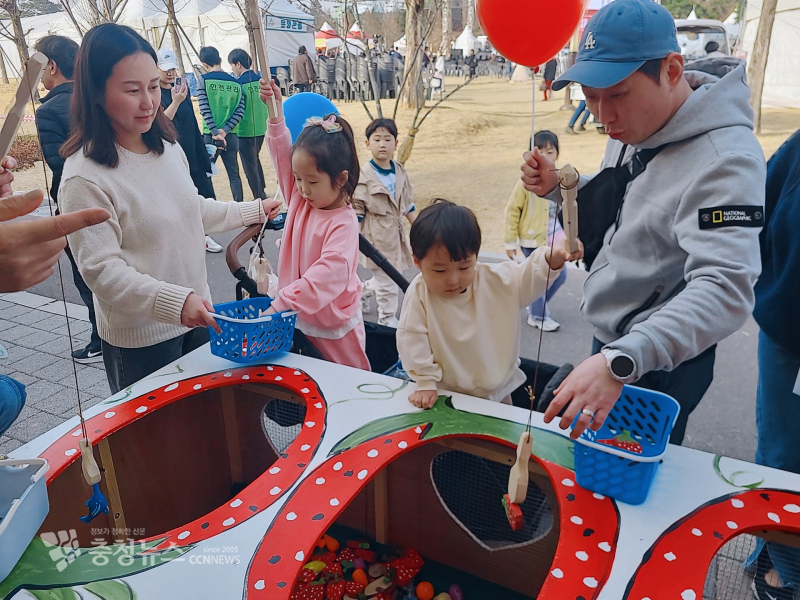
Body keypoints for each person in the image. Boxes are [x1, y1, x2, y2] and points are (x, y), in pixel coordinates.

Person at [522, 0, 765, 444]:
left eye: (616, 94)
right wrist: (562, 187)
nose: (602, 115)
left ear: (672, 70)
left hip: (659, 357)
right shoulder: (636, 124)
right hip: (614, 342)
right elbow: (630, 193)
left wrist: (623, 360)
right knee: (595, 470)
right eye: (589, 96)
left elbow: (726, 287)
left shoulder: (726, 161)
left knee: (628, 483)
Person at [58, 24, 280, 393]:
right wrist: (175, 302)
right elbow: (101, 271)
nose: (148, 102)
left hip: (196, 319)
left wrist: (254, 211)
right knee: (157, 445)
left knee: (204, 427)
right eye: (132, 90)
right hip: (141, 341)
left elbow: (189, 208)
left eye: (153, 86)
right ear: (96, 92)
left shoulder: (166, 146)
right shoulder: (84, 177)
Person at [397, 199, 581, 408]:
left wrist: (553, 257)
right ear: (417, 262)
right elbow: (412, 339)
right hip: (445, 394)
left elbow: (529, 276)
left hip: (499, 391)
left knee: (500, 436)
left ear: (476, 256)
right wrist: (425, 381)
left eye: (464, 267)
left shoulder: (497, 281)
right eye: (440, 270)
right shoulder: (420, 293)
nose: (453, 279)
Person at [259, 78, 369, 370]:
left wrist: (283, 302)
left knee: (349, 383)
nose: (302, 188)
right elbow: (282, 156)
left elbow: (327, 273)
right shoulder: (300, 197)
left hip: (334, 326)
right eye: (297, 178)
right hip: (299, 315)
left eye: (312, 181)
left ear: (341, 178)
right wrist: (275, 114)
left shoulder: (342, 224)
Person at [749, 129, 800, 600]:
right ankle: (783, 564)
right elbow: (748, 215)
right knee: (781, 456)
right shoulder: (796, 149)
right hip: (787, 333)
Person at [34, 35, 104, 363]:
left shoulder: (49, 111)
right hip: (114, 196)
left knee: (87, 273)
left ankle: (100, 339)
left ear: (51, 65)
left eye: (35, 65)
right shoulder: (100, 98)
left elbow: (59, 165)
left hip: (76, 206)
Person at [156, 48, 223, 254]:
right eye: (165, 69)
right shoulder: (153, 94)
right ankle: (183, 239)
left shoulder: (181, 90)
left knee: (201, 193)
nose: (170, 73)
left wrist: (203, 151)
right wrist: (175, 101)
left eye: (173, 69)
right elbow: (160, 124)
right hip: (168, 155)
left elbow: (192, 123)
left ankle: (203, 235)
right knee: (176, 198)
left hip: (190, 152)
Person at [352, 118, 416, 327]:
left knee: (386, 276)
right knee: (389, 281)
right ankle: (387, 319)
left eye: (387, 139)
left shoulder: (399, 170)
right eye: (377, 139)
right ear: (367, 144)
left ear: (396, 144)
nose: (382, 144)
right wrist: (355, 240)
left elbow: (407, 204)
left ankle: (362, 291)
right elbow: (358, 210)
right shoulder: (364, 175)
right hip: (376, 237)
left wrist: (422, 229)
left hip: (395, 235)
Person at [504, 131, 567, 332]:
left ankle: (534, 302)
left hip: (553, 238)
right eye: (540, 152)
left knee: (561, 275)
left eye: (550, 151)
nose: (546, 156)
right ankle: (538, 315)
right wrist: (510, 241)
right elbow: (513, 210)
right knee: (541, 275)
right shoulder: (526, 182)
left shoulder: (560, 179)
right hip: (532, 239)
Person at [198, 45, 245, 203]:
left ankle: (211, 209)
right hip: (231, 136)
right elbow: (240, 111)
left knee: (207, 173)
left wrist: (215, 132)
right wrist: (225, 130)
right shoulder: (236, 83)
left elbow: (204, 109)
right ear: (219, 59)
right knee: (234, 174)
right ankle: (239, 207)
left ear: (204, 64)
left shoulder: (203, 80)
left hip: (210, 136)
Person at [229, 48, 268, 201]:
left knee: (249, 165)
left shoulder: (239, 85)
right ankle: (262, 187)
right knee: (255, 159)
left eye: (232, 65)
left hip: (245, 131)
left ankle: (259, 196)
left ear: (238, 64)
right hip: (261, 128)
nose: (232, 69)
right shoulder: (261, 81)